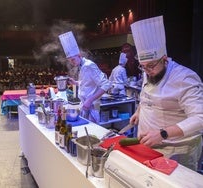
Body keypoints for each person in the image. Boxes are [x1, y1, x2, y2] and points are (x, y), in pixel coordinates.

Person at [129, 15, 203, 171]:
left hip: (177, 150)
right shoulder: (149, 71)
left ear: (164, 59)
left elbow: (200, 117)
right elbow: (147, 95)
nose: (147, 72)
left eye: (150, 66)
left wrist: (163, 134)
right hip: (149, 146)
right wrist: (139, 111)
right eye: (142, 66)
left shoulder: (184, 78)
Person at [58, 31, 111, 123]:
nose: (72, 63)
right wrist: (76, 83)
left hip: (92, 107)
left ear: (79, 55)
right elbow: (87, 83)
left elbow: (106, 84)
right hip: (85, 106)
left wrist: (90, 100)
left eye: (73, 59)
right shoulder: (81, 66)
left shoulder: (89, 65)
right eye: (70, 61)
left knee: (92, 134)